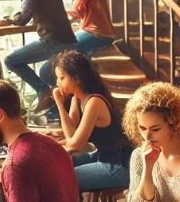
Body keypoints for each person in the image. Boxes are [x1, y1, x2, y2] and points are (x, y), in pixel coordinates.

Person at [0, 0, 77, 114]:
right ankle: (51, 103)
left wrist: (5, 21)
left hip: (54, 41)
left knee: (11, 61)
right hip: (62, 39)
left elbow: (22, 18)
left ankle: (43, 92)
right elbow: (27, 12)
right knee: (45, 72)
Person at [52, 50, 132, 191]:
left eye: (62, 77)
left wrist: (59, 104)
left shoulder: (94, 102)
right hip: (102, 156)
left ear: (76, 78)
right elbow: (71, 131)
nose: (57, 83)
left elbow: (74, 145)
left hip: (118, 165)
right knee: (59, 165)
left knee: (59, 178)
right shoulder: (77, 97)